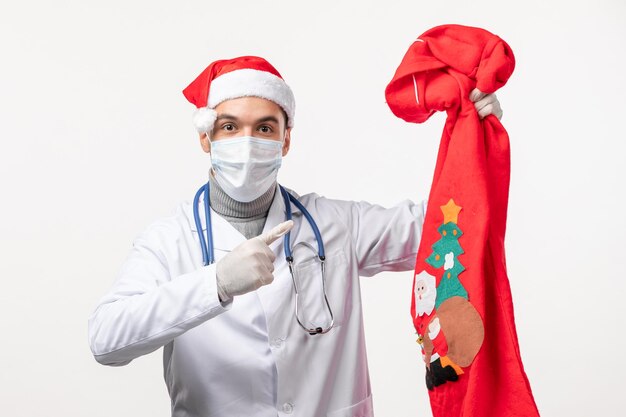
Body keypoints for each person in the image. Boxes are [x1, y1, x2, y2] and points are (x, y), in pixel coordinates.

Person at [88, 56, 502, 417]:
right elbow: (107, 340)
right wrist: (215, 284)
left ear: (286, 139)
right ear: (205, 138)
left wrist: (474, 137)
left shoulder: (336, 223)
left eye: (265, 128)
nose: (247, 142)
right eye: (230, 127)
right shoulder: (167, 241)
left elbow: (451, 226)